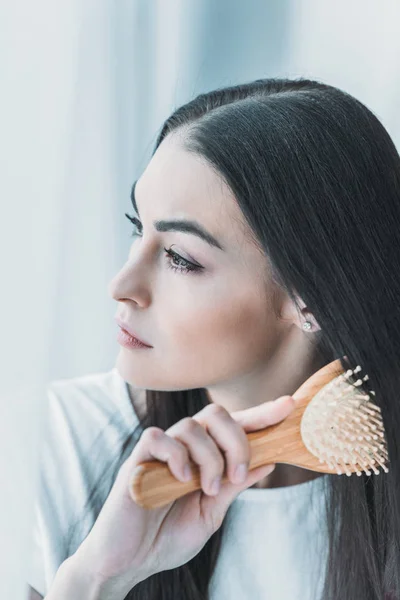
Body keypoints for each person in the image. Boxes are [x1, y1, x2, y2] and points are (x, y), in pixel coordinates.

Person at [27, 78, 400, 600]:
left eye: (179, 257)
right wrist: (97, 578)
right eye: (139, 227)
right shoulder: (52, 441)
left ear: (307, 296)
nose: (122, 286)